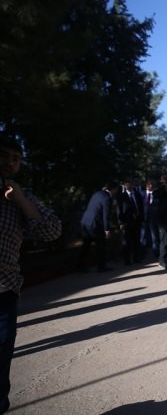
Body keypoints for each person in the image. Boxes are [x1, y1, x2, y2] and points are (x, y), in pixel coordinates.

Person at [0, 135, 61, 413]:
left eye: (16, 158)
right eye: (4, 155)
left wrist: (21, 200)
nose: (10, 163)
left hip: (4, 294)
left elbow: (52, 230)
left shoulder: (20, 197)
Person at [80, 180, 121, 272]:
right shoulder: (107, 198)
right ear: (114, 189)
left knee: (86, 245)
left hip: (85, 222)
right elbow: (105, 215)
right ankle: (101, 266)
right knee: (101, 246)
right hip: (95, 224)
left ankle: (80, 266)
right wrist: (107, 230)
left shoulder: (97, 193)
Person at [117, 178, 143, 264]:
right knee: (127, 242)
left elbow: (141, 207)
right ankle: (127, 259)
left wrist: (142, 218)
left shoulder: (137, 194)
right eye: (127, 184)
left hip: (137, 221)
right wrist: (121, 222)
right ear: (124, 185)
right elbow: (119, 210)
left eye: (130, 184)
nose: (129, 186)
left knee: (136, 240)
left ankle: (136, 258)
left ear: (133, 185)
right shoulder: (121, 196)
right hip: (127, 222)